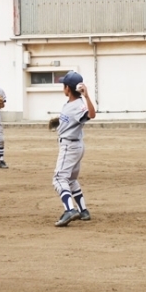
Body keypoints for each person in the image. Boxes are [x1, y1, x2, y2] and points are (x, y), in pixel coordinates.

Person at [52, 71, 96, 227]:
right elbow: (74, 118)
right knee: (71, 179)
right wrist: (59, 123)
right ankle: (83, 210)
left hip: (69, 146)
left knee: (59, 179)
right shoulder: (71, 104)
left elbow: (91, 114)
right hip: (76, 145)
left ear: (68, 89)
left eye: (64, 85)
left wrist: (87, 96)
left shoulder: (78, 105)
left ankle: (70, 210)